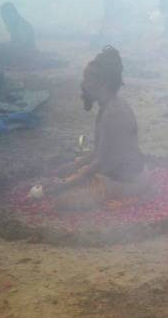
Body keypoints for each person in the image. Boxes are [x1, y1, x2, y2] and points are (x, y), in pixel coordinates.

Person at [42, 46, 150, 210]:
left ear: (102, 84)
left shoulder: (114, 113)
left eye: (87, 79)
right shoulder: (108, 107)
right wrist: (74, 166)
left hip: (126, 181)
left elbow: (102, 161)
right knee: (62, 183)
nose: (83, 84)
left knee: (62, 202)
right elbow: (99, 152)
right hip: (114, 174)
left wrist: (68, 182)